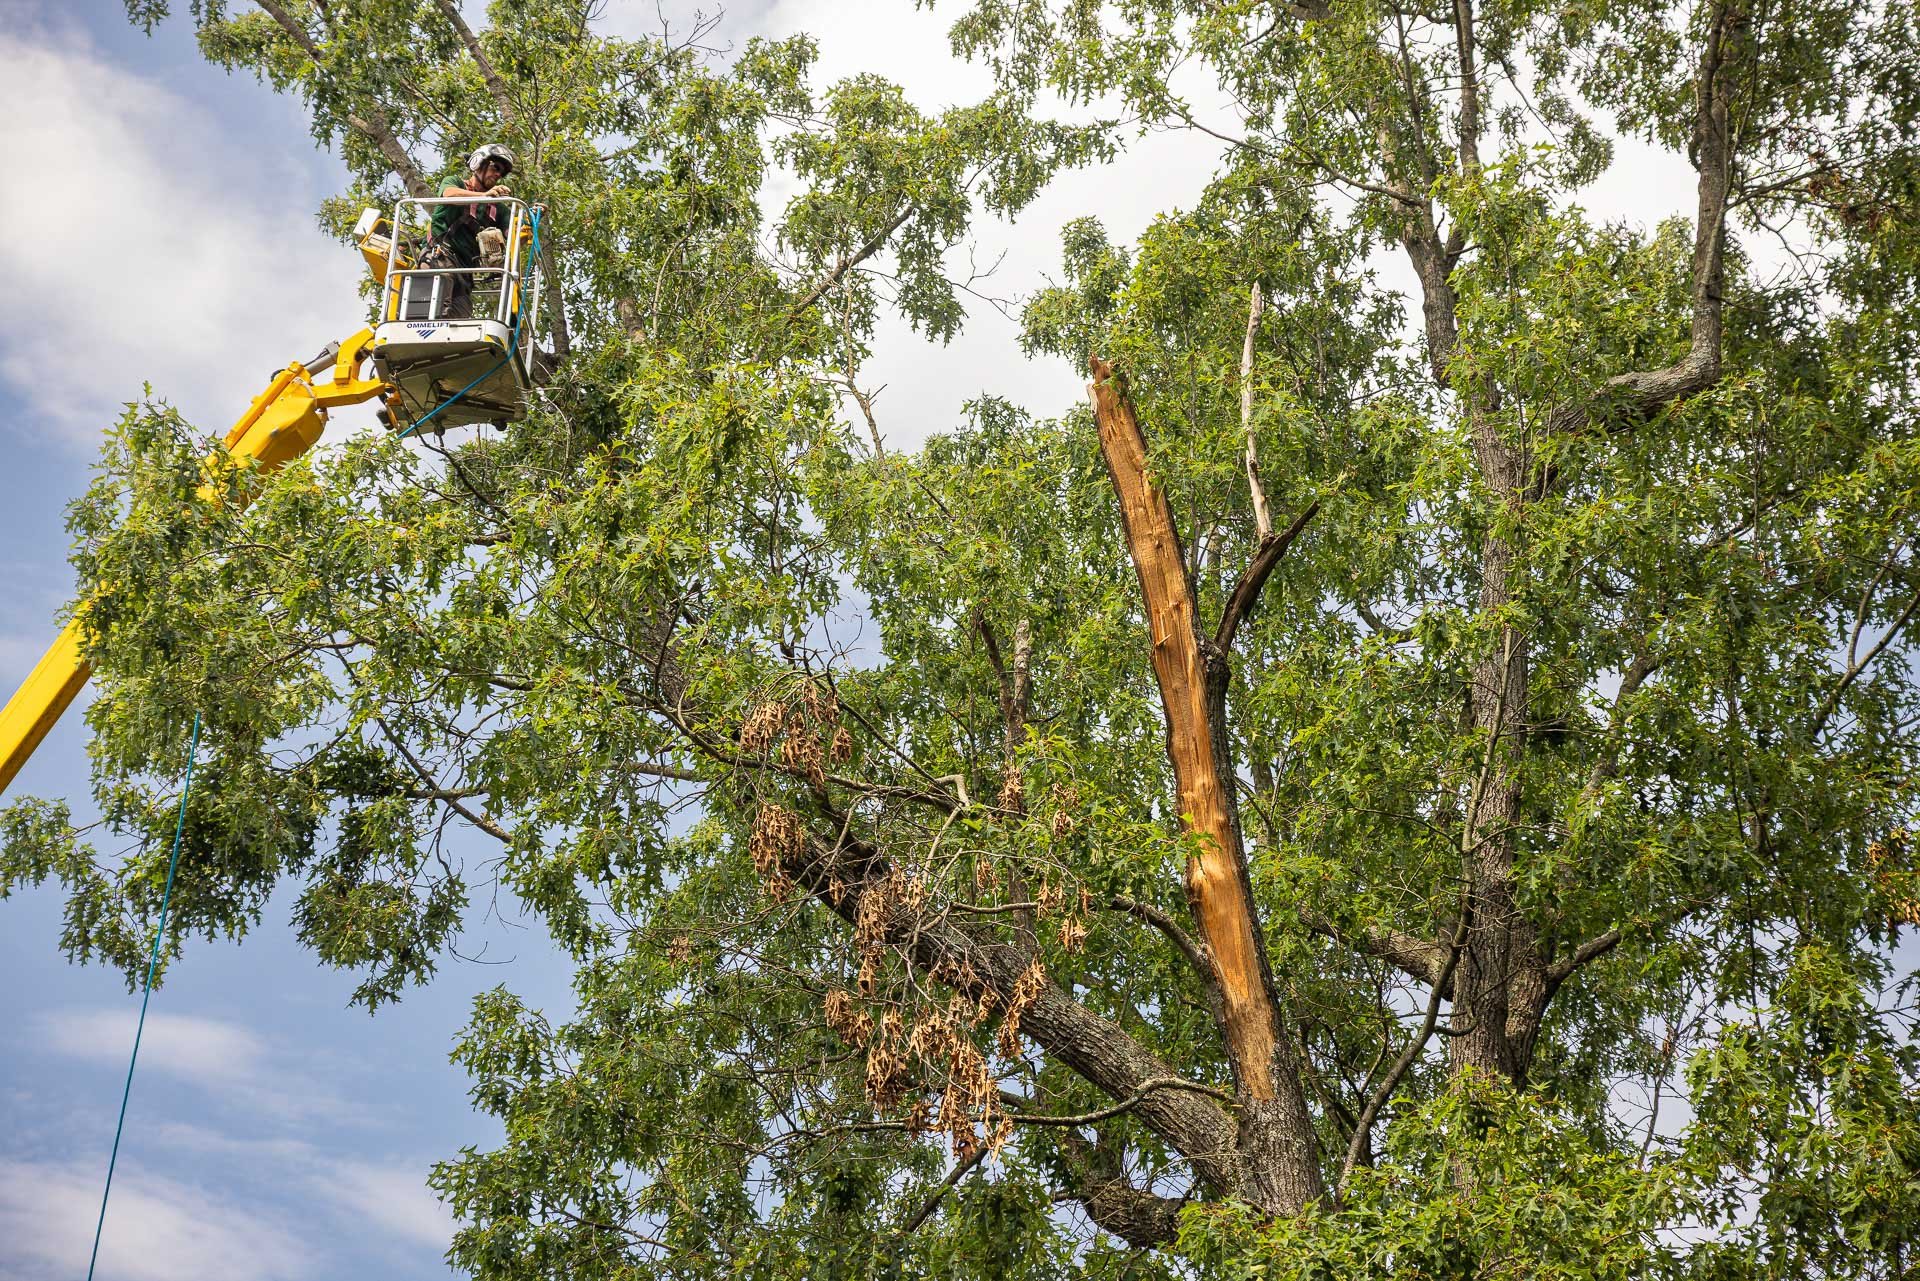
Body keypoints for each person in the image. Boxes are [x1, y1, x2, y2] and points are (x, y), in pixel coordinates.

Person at [420, 143, 515, 319]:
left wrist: (531, 221)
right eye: (496, 167)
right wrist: (484, 196)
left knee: (460, 321)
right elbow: (448, 195)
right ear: (478, 163)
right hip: (441, 258)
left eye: (501, 173)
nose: (498, 174)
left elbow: (514, 236)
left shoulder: (498, 209)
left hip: (464, 273)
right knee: (434, 315)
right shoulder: (455, 183)